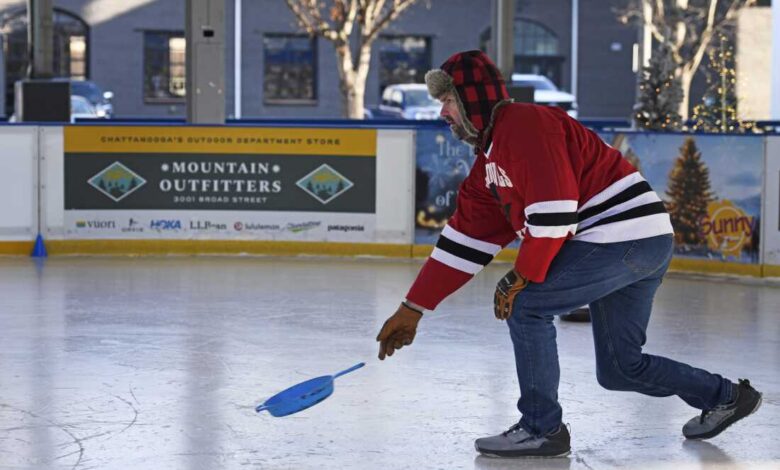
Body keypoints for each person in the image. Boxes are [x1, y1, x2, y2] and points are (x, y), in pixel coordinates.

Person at [375, 50, 761, 458]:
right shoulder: (489, 164)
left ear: (471, 98)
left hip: (623, 237)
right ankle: (727, 396)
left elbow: (555, 210)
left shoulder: (525, 125)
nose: (443, 114)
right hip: (641, 241)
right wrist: (413, 307)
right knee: (619, 368)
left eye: (448, 102)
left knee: (526, 306)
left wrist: (522, 275)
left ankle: (542, 428)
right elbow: (463, 242)